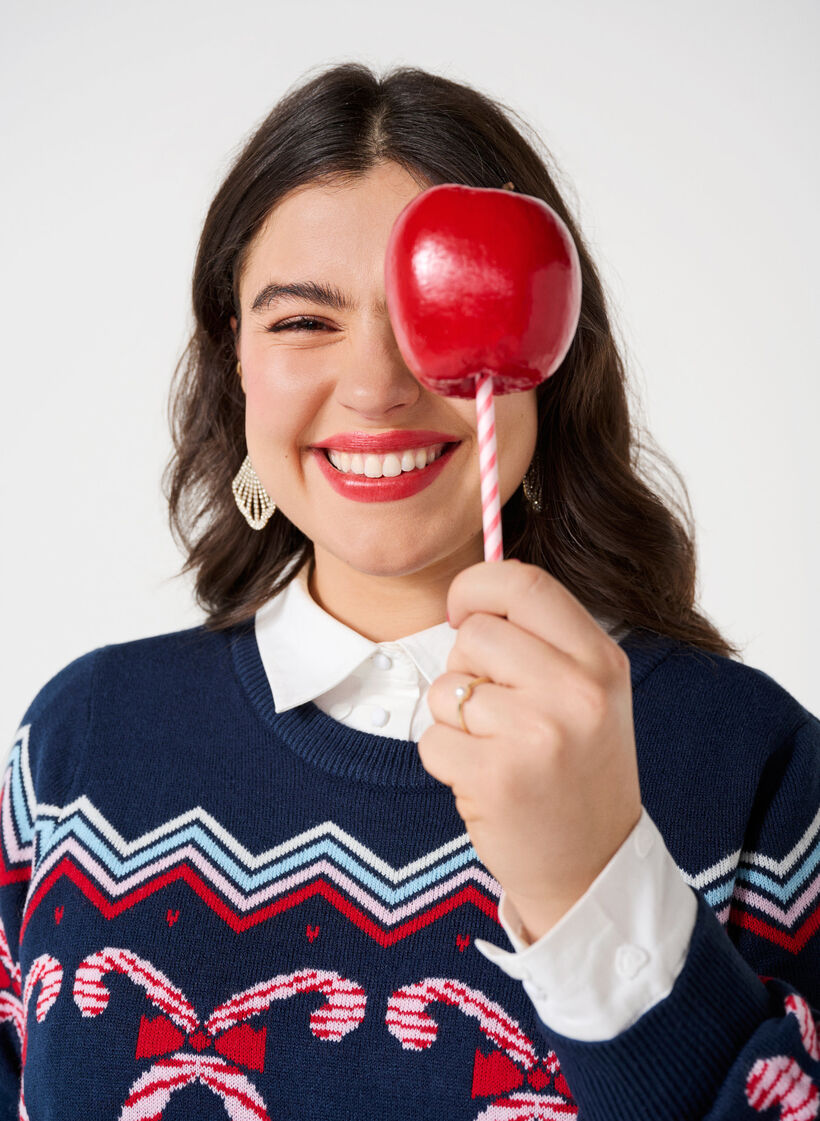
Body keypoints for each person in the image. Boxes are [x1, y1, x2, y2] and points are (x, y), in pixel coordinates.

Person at [2, 61, 818, 1121]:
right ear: (233, 365)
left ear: (553, 359)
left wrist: (594, 882)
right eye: (303, 322)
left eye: (438, 315)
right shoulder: (83, 740)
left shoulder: (756, 762)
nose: (379, 385)